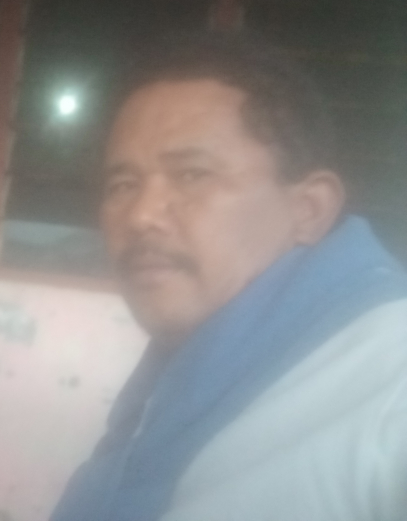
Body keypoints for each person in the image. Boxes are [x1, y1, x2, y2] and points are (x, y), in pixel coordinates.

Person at [50, 32, 407, 521]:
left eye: (192, 174)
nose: (140, 215)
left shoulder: (389, 385)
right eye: (123, 184)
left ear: (309, 209)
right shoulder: (173, 380)